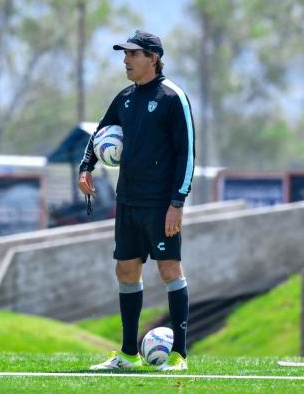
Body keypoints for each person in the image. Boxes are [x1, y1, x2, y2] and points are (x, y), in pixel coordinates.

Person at [78, 30, 195, 372]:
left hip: (161, 204)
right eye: (124, 54)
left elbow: (187, 154)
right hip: (127, 201)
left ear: (153, 58)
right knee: (126, 270)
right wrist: (86, 167)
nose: (125, 60)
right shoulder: (125, 98)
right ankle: (128, 356)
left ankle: (179, 357)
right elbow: (99, 134)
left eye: (132, 54)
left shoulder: (173, 97)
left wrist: (178, 202)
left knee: (170, 269)